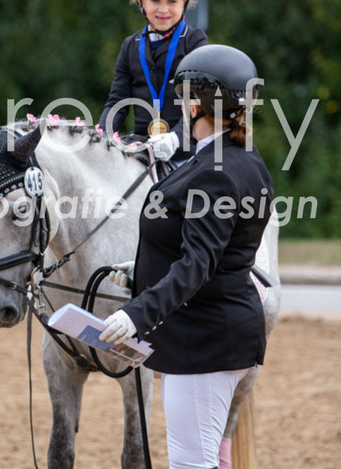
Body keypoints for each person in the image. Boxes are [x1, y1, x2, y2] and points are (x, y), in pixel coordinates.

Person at [100, 44, 274, 469]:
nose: (180, 105)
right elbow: (215, 247)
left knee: (191, 464)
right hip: (217, 333)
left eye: (184, 98)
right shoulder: (239, 158)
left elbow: (199, 264)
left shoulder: (215, 172)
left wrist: (137, 314)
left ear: (197, 105)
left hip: (203, 342)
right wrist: (142, 271)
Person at [98, 0, 208, 162]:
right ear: (140, 0)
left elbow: (198, 101)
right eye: (155, 0)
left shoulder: (194, 41)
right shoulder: (130, 46)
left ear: (186, 2)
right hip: (142, 148)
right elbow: (117, 102)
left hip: (184, 150)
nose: (163, 9)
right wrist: (101, 134)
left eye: (172, 1)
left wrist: (176, 138)